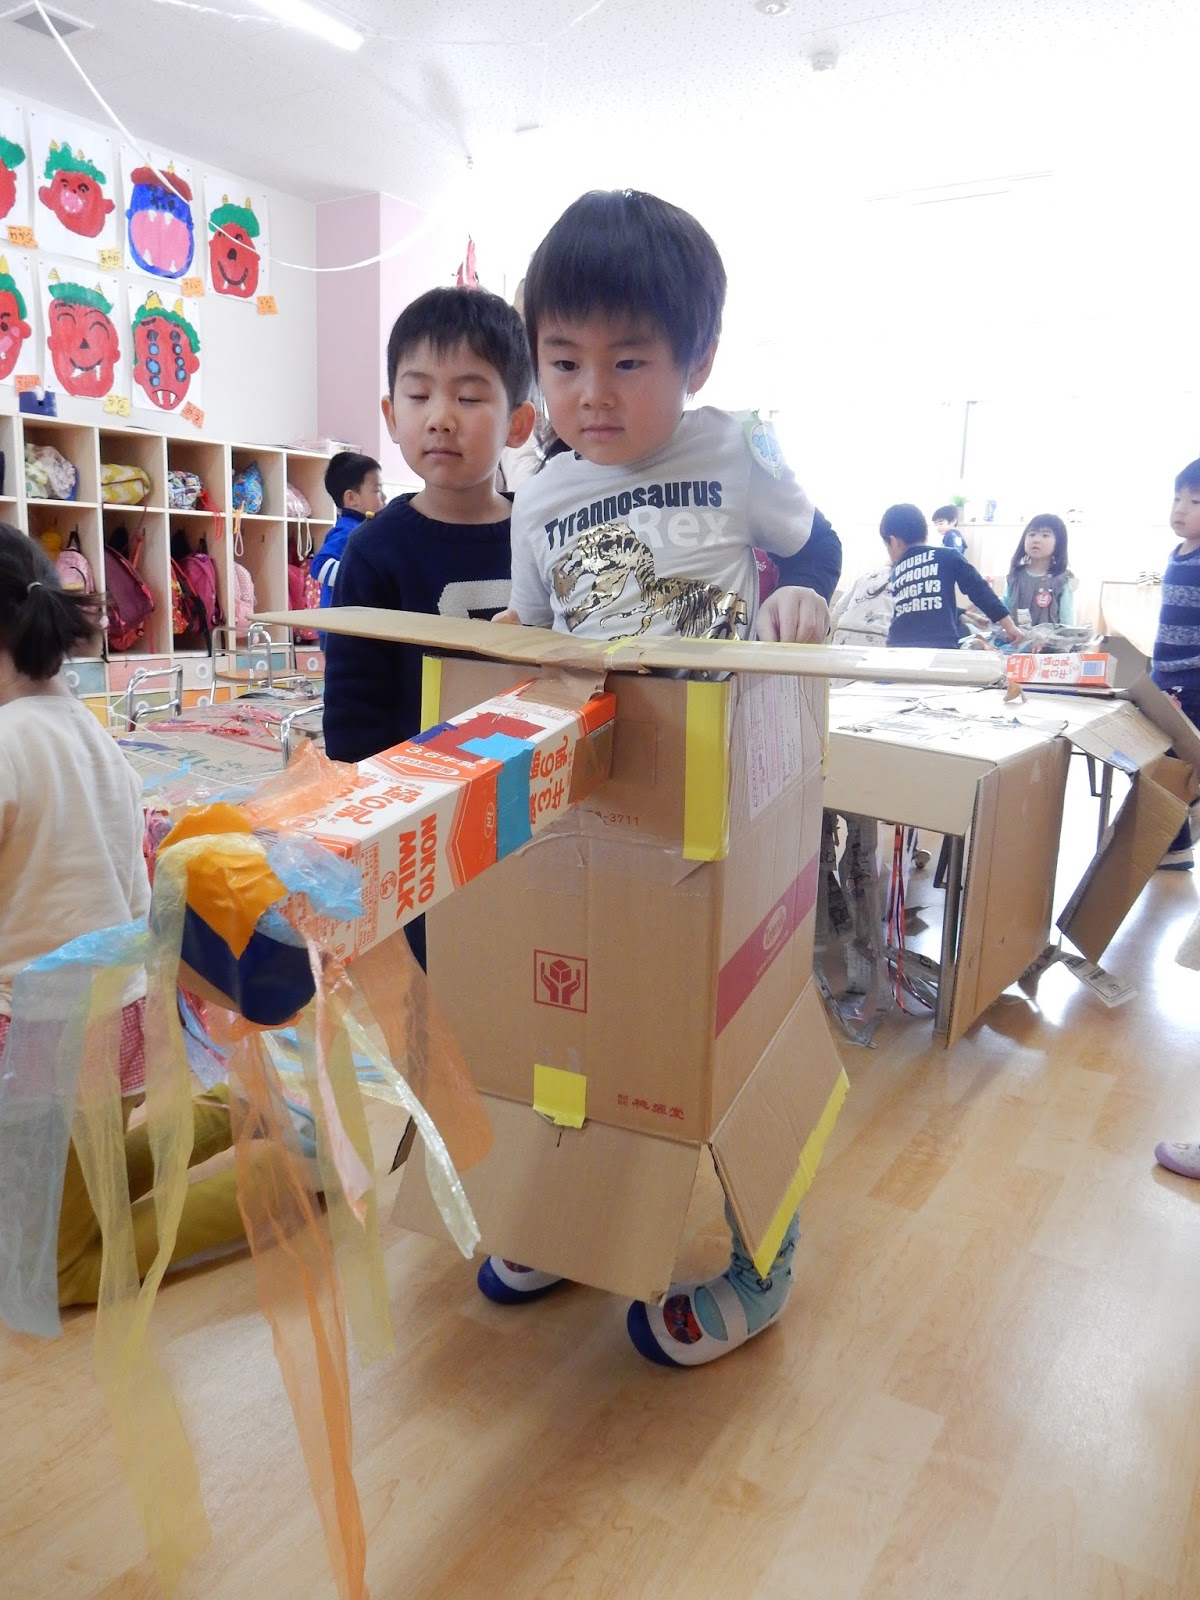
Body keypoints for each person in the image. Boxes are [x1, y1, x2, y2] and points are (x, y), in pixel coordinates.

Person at [482, 188, 843, 1368]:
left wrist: (803, 590)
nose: (593, 392)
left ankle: (762, 1260)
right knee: (588, 1023)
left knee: (737, 1039)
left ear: (698, 358)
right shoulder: (541, 495)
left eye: (629, 361)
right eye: (565, 361)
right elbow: (537, 638)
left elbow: (815, 539)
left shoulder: (736, 447)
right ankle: (574, 1218)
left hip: (730, 804)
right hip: (603, 806)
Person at [0, 524, 259, 1307]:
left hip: (49, 1038)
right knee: (76, 1182)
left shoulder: (9, 743)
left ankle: (281, 1178)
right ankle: (228, 1114)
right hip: (107, 1018)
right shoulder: (84, 728)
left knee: (56, 1267)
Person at [322, 287, 536, 765]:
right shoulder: (374, 550)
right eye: (419, 395)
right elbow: (353, 710)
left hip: (537, 773)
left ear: (518, 424)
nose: (440, 419)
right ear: (392, 416)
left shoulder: (545, 532)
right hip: (416, 788)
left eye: (469, 397)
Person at [883, 502, 1020, 649]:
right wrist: (1009, 625)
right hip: (939, 643)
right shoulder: (947, 555)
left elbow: (916, 607)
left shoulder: (896, 572)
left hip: (899, 645)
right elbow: (979, 589)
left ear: (893, 541)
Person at [1152, 458, 1200, 872]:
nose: (1180, 509)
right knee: (1156, 758)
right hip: (1164, 672)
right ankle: (1176, 841)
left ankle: (1177, 843)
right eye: (1177, 498)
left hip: (1193, 677)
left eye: (1195, 501)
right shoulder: (1179, 553)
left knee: (1174, 761)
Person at [310, 451, 385, 610]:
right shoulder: (349, 530)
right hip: (340, 621)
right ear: (351, 498)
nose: (384, 497)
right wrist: (359, 577)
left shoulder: (365, 529)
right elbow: (319, 565)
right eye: (377, 491)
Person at [1004, 514, 1075, 626]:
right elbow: (1006, 606)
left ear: (1059, 543)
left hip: (1050, 637)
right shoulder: (1015, 575)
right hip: (1015, 636)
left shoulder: (1063, 579)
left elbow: (1067, 619)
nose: (1036, 540)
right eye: (1032, 534)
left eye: (1045, 535)